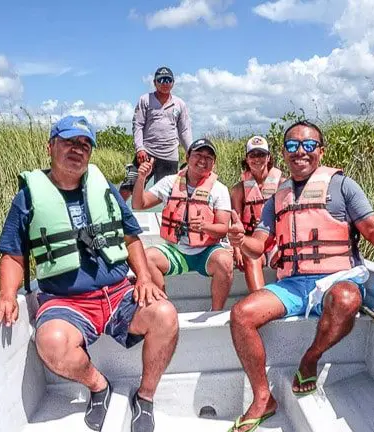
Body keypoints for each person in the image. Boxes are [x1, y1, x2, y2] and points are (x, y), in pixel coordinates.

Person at [0, 115, 179, 432]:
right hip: (67, 301)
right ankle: (98, 385)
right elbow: (14, 254)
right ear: (51, 147)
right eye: (69, 142)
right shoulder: (28, 198)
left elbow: (130, 237)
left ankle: (145, 397)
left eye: (85, 145)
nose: (77, 150)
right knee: (52, 344)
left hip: (117, 294)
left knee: (166, 315)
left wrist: (143, 276)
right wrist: (6, 294)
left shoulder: (105, 191)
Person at [225, 120, 374, 432]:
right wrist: (239, 239)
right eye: (293, 146)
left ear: (321, 151)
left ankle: (310, 358)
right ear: (283, 154)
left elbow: (372, 230)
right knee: (241, 315)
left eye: (309, 145)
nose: (301, 152)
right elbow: (258, 245)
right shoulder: (277, 199)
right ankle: (262, 398)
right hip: (294, 284)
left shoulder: (343, 186)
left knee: (347, 299)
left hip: (339, 277)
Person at [131, 138, 234, 311]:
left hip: (206, 252)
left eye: (209, 157)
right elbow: (138, 204)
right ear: (187, 157)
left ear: (214, 163)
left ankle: (215, 312)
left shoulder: (219, 189)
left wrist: (206, 226)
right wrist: (141, 178)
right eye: (198, 155)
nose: (203, 160)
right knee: (146, 257)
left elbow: (223, 228)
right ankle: (165, 309)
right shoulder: (170, 182)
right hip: (176, 250)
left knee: (225, 261)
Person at [119, 66, 193, 201]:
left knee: (169, 194)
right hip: (146, 154)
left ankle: (169, 221)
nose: (165, 83)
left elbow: (184, 131)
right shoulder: (145, 100)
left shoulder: (180, 104)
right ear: (154, 82)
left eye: (168, 80)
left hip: (169, 156)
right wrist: (139, 148)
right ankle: (116, 216)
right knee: (128, 186)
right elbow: (138, 125)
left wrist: (191, 151)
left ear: (173, 82)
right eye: (161, 80)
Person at [230, 135, 285, 292]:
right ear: (247, 159)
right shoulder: (238, 190)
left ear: (268, 158)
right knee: (250, 257)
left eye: (261, 154)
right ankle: (260, 300)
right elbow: (236, 222)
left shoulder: (282, 185)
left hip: (276, 242)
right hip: (251, 242)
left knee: (286, 259)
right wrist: (237, 250)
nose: (257, 159)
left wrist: (284, 248)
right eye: (253, 155)